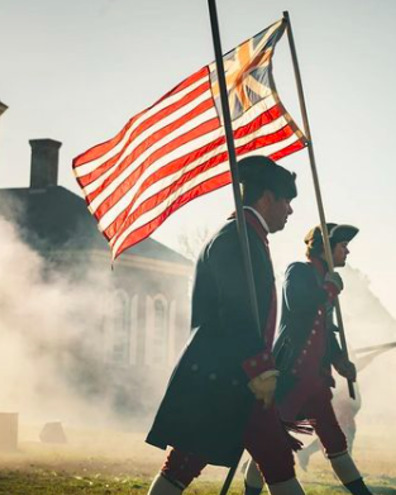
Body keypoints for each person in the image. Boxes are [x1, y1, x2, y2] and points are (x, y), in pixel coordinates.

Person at [145, 155, 306, 495]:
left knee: (276, 463)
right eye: (287, 201)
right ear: (266, 198)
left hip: (239, 380)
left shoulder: (248, 238)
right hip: (229, 379)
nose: (290, 210)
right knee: (183, 466)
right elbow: (235, 311)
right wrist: (260, 367)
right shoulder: (236, 239)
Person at [244, 223, 371, 495]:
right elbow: (297, 302)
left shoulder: (326, 282)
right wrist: (328, 290)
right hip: (291, 376)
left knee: (336, 442)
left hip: (315, 382)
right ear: (325, 247)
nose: (347, 250)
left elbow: (325, 331)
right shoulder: (298, 271)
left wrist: (340, 361)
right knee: (271, 444)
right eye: (342, 245)